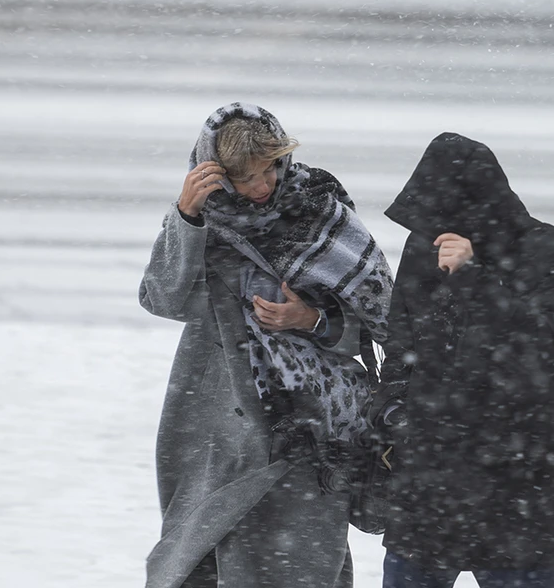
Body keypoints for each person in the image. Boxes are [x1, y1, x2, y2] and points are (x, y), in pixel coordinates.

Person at [138, 102, 393, 588]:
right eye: (246, 177)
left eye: (269, 169)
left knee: (301, 565)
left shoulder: (322, 215)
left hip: (308, 426)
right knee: (195, 558)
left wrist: (313, 319)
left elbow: (382, 326)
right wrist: (186, 216)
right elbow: (162, 299)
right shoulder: (203, 224)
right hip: (214, 418)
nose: (262, 186)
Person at [372, 133, 554, 588]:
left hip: (519, 476)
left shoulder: (550, 252)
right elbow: (401, 346)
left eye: (440, 218)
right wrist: (392, 411)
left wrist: (475, 279)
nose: (434, 231)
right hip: (432, 473)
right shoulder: (425, 247)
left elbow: (544, 353)